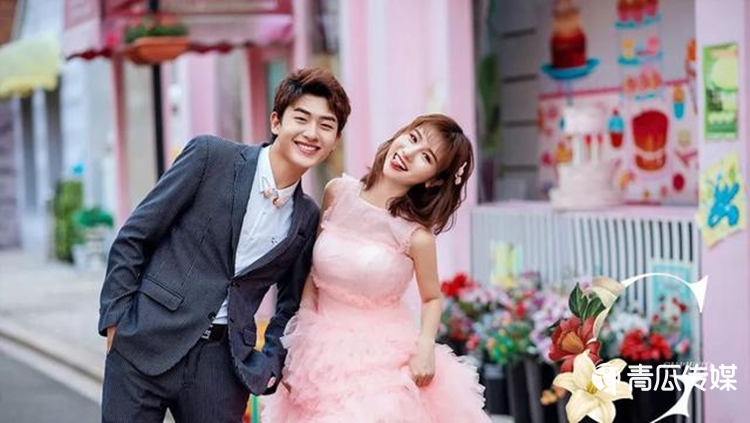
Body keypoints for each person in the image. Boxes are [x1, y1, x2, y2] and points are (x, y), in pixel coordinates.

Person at [98, 67, 350, 422]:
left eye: (326, 125)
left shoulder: (306, 217)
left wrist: (270, 362)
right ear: (276, 121)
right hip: (147, 341)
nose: (311, 133)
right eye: (302, 118)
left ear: (335, 141)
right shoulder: (210, 157)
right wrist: (116, 320)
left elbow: (290, 303)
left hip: (220, 368)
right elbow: (135, 235)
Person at [262, 114, 491, 422]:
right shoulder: (337, 192)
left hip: (382, 361)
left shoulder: (417, 237)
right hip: (319, 349)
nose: (408, 153)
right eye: (412, 138)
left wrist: (425, 348)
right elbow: (311, 275)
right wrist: (299, 342)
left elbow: (432, 298)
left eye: (426, 157)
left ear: (434, 180)